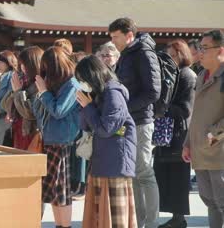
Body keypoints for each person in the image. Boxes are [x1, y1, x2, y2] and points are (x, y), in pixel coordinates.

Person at [109, 17, 161, 228]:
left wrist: (125, 109)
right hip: (130, 121)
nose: (113, 41)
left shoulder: (143, 53)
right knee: (133, 174)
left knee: (144, 173)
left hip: (140, 120)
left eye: (116, 37)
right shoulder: (127, 55)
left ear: (129, 35)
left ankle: (151, 222)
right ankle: (139, 222)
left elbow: (153, 92)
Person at [75, 55, 137, 228]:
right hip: (103, 159)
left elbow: (105, 129)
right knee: (100, 212)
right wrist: (85, 104)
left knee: (115, 216)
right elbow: (85, 126)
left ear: (92, 75)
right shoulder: (100, 93)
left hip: (115, 161)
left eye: (82, 79)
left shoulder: (113, 93)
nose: (81, 83)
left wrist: (88, 107)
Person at [32, 46, 81, 228]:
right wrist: (41, 93)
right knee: (52, 191)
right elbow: (39, 112)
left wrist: (44, 92)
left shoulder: (72, 84)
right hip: (51, 139)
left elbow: (58, 111)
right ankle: (59, 225)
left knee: (62, 190)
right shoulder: (57, 84)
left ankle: (64, 225)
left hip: (62, 141)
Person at [182, 29, 224, 228]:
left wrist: (213, 134)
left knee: (222, 200)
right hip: (200, 148)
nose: (200, 52)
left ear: (220, 50)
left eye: (205, 48)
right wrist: (187, 142)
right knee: (210, 200)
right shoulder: (201, 76)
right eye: (200, 48)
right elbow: (196, 113)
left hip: (219, 149)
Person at [153, 39, 196, 228]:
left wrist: (162, 108)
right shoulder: (171, 74)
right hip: (166, 131)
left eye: (173, 55)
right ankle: (175, 217)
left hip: (179, 133)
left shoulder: (188, 75)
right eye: (168, 55)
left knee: (178, 177)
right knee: (164, 176)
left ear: (182, 55)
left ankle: (179, 218)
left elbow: (186, 109)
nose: (169, 59)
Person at [2, 46, 43, 150]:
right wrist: (14, 91)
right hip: (18, 129)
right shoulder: (23, 79)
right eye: (21, 64)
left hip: (32, 132)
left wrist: (18, 92)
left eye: (25, 64)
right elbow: (5, 105)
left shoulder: (40, 83)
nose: (22, 67)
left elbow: (30, 113)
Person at [0, 50, 18, 145]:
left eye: (0, 62)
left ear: (8, 62)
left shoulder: (12, 75)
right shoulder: (0, 75)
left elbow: (9, 96)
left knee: (1, 143)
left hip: (4, 115)